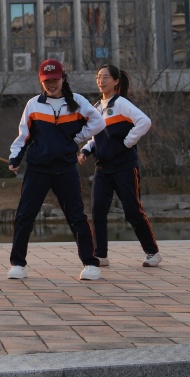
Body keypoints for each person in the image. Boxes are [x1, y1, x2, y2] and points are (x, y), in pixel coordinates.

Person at [6, 59, 105, 281]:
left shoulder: (77, 101)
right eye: (46, 81)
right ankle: (18, 264)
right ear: (41, 81)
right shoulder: (33, 105)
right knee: (24, 216)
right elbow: (24, 135)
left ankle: (90, 264)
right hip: (37, 169)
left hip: (65, 168)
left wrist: (77, 138)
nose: (51, 84)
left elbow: (98, 122)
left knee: (76, 216)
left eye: (55, 80)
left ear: (63, 79)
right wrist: (15, 157)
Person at [78, 64, 162, 268]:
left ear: (116, 81)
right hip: (102, 168)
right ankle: (101, 255)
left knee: (132, 210)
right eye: (99, 77)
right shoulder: (96, 108)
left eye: (106, 77)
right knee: (98, 210)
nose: (101, 81)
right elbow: (95, 136)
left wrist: (126, 143)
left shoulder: (122, 104)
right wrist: (86, 151)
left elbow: (145, 122)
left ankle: (152, 252)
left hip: (124, 166)